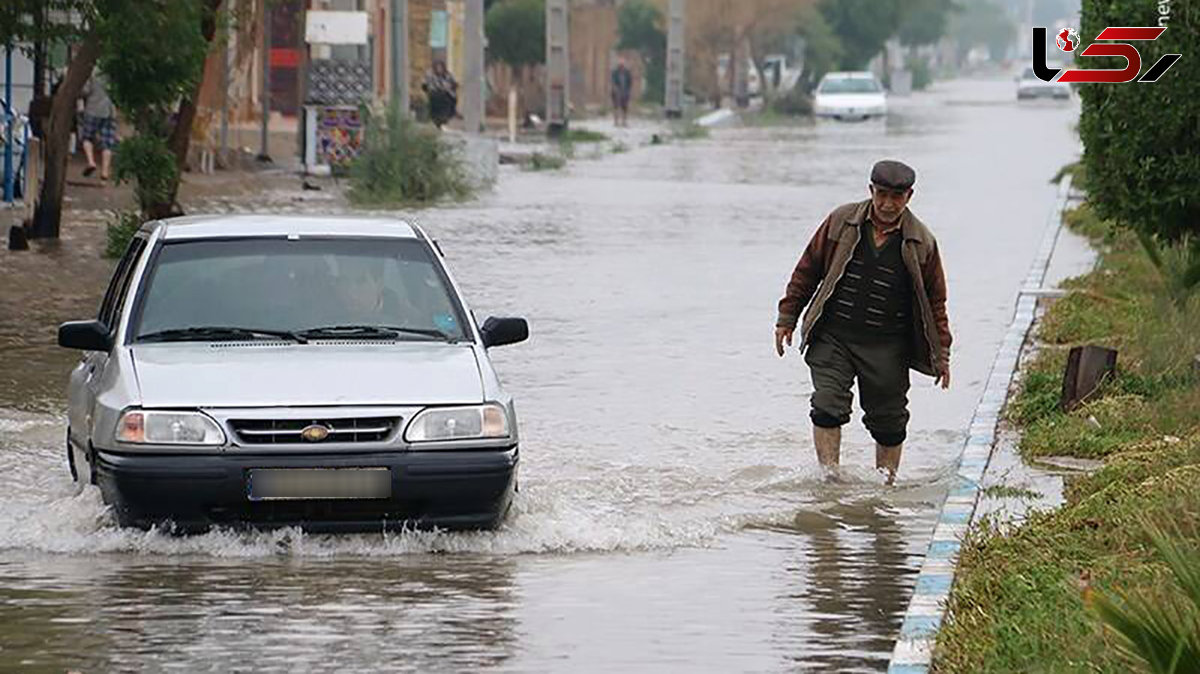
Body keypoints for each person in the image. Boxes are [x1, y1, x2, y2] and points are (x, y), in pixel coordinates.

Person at [773, 160, 952, 484]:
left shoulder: (921, 242)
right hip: (834, 336)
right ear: (871, 191)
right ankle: (829, 480)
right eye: (881, 194)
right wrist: (787, 316)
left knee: (889, 421)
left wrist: (942, 356)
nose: (887, 204)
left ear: (909, 196)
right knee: (827, 404)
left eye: (896, 197)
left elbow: (935, 303)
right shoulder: (841, 222)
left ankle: (885, 488)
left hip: (888, 346)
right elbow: (808, 269)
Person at [80, 71, 118, 182]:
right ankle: (104, 173)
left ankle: (91, 162)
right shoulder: (113, 73)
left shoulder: (93, 73)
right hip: (109, 111)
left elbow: (85, 91)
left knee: (87, 137)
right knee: (107, 143)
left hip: (93, 109)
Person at [422, 60, 458, 129]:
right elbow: (425, 85)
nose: (439, 69)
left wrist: (450, 86)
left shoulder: (448, 75)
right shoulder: (430, 74)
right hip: (434, 94)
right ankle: (436, 120)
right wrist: (430, 89)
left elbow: (454, 83)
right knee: (435, 103)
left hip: (446, 94)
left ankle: (446, 117)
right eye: (438, 67)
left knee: (450, 100)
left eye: (440, 67)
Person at [611, 58, 633, 127]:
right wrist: (615, 88)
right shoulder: (615, 72)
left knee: (624, 107)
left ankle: (624, 121)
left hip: (625, 92)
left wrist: (628, 90)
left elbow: (630, 82)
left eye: (622, 65)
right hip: (616, 92)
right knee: (616, 107)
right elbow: (613, 81)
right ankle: (616, 122)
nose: (621, 67)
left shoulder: (627, 73)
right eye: (620, 65)